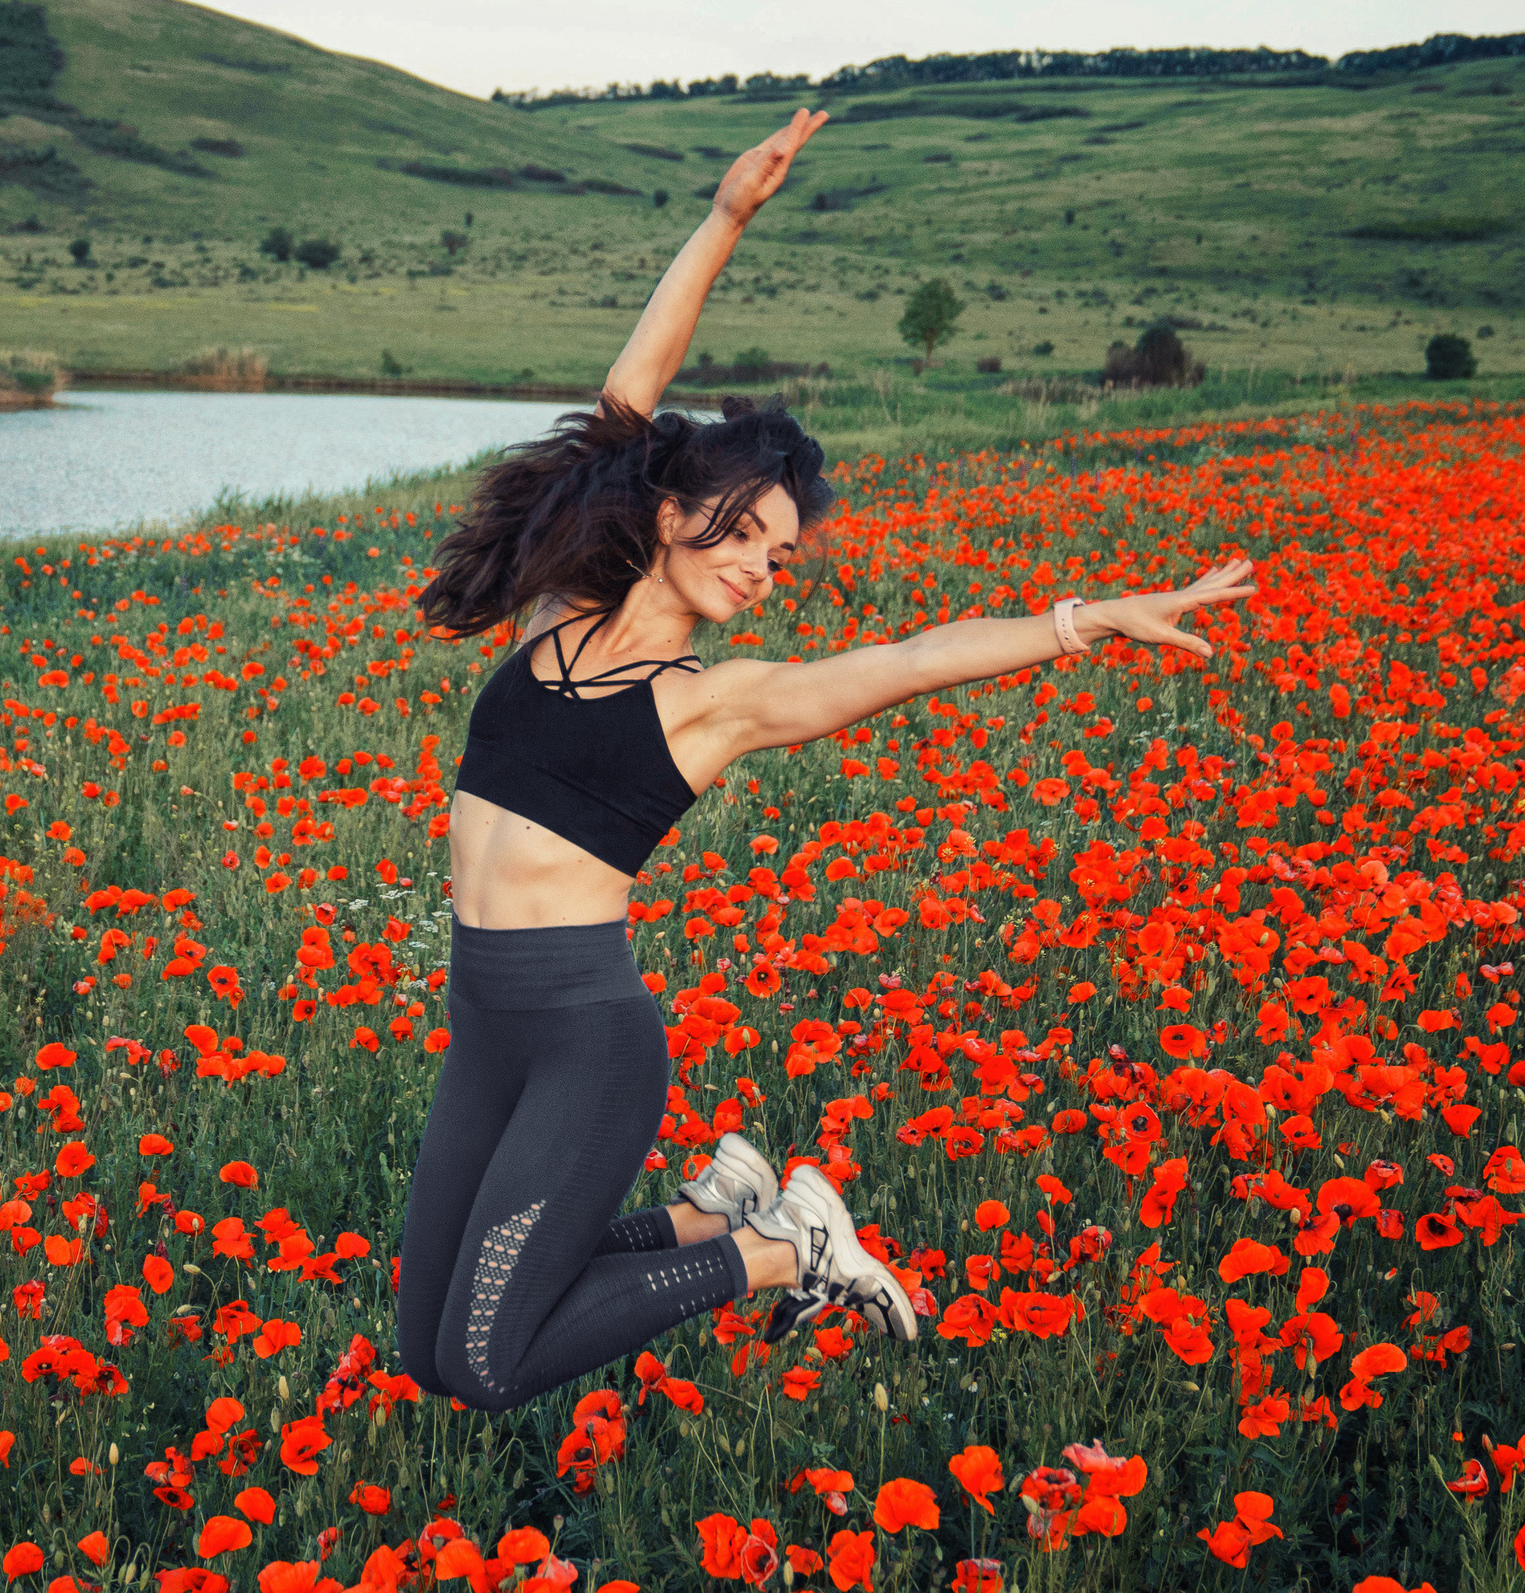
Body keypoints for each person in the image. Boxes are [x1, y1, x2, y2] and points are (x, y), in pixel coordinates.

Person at [394, 107, 1258, 1414]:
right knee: (426, 1342)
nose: (760, 566)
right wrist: (726, 216)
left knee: (482, 1358)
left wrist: (1086, 620)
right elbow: (630, 391)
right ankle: (730, 1209)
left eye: (781, 555)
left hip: (584, 1037)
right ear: (674, 510)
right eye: (744, 531)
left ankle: (778, 1246)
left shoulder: (712, 703)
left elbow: (905, 659)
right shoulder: (560, 608)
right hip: (484, 1026)